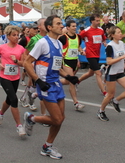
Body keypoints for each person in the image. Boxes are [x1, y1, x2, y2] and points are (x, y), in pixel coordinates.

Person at [23, 15, 79, 160]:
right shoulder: (42, 43)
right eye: (59, 24)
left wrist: (67, 76)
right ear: (50, 27)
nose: (62, 26)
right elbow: (27, 63)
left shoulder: (59, 44)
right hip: (45, 85)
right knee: (57, 119)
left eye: (62, 24)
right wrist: (37, 81)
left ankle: (47, 146)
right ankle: (31, 118)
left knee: (61, 119)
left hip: (57, 84)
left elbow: (57, 66)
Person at [0, 25, 26, 137]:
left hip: (15, 77)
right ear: (8, 36)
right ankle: (19, 126)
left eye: (18, 35)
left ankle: (1, 113)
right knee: (14, 100)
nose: (16, 37)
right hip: (4, 77)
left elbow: (24, 63)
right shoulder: (2, 47)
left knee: (9, 99)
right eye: (14, 35)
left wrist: (16, 60)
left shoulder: (21, 49)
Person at [97, 26, 125, 121]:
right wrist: (122, 58)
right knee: (110, 94)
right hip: (112, 73)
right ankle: (101, 111)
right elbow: (109, 61)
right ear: (112, 35)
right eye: (118, 32)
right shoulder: (110, 46)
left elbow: (123, 55)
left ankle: (116, 101)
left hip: (120, 71)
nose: (120, 34)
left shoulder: (121, 43)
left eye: (120, 32)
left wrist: (124, 61)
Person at [59, 20, 85, 110]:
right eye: (73, 26)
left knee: (67, 81)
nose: (75, 28)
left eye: (75, 26)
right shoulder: (63, 38)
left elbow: (78, 46)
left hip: (74, 61)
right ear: (68, 28)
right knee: (72, 82)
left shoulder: (78, 37)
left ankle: (53, 82)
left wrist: (81, 51)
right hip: (66, 62)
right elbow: (59, 49)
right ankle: (76, 103)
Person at [78, 14, 107, 96]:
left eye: (99, 20)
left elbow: (104, 40)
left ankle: (77, 81)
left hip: (97, 54)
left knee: (90, 73)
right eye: (97, 21)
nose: (98, 22)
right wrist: (81, 50)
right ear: (92, 21)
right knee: (98, 73)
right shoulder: (86, 31)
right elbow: (77, 40)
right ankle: (104, 91)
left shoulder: (101, 30)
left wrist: (105, 44)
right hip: (90, 54)